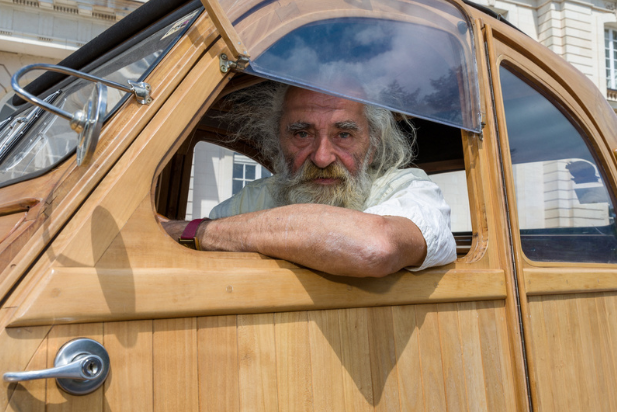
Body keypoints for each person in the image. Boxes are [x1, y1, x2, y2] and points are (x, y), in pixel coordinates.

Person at [162, 83, 457, 279]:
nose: (322, 157)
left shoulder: (410, 189)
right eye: (302, 134)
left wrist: (195, 230)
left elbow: (374, 247)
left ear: (374, 145)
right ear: (279, 141)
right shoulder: (251, 200)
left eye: (344, 134)